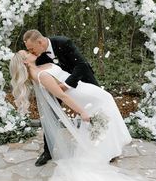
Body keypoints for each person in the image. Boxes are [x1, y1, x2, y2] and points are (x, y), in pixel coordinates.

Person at [9, 51, 156, 181]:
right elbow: (62, 96)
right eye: (27, 53)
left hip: (83, 89)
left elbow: (64, 82)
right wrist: (82, 111)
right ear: (25, 61)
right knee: (104, 109)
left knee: (106, 108)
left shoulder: (38, 68)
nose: (31, 52)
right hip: (83, 97)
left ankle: (110, 147)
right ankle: (106, 149)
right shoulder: (41, 75)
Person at [23, 29, 99, 166]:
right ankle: (48, 151)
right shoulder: (37, 55)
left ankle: (103, 146)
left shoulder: (63, 43)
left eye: (31, 49)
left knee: (97, 109)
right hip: (57, 85)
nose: (31, 52)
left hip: (81, 79)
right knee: (49, 114)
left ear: (40, 42)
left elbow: (81, 65)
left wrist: (67, 84)